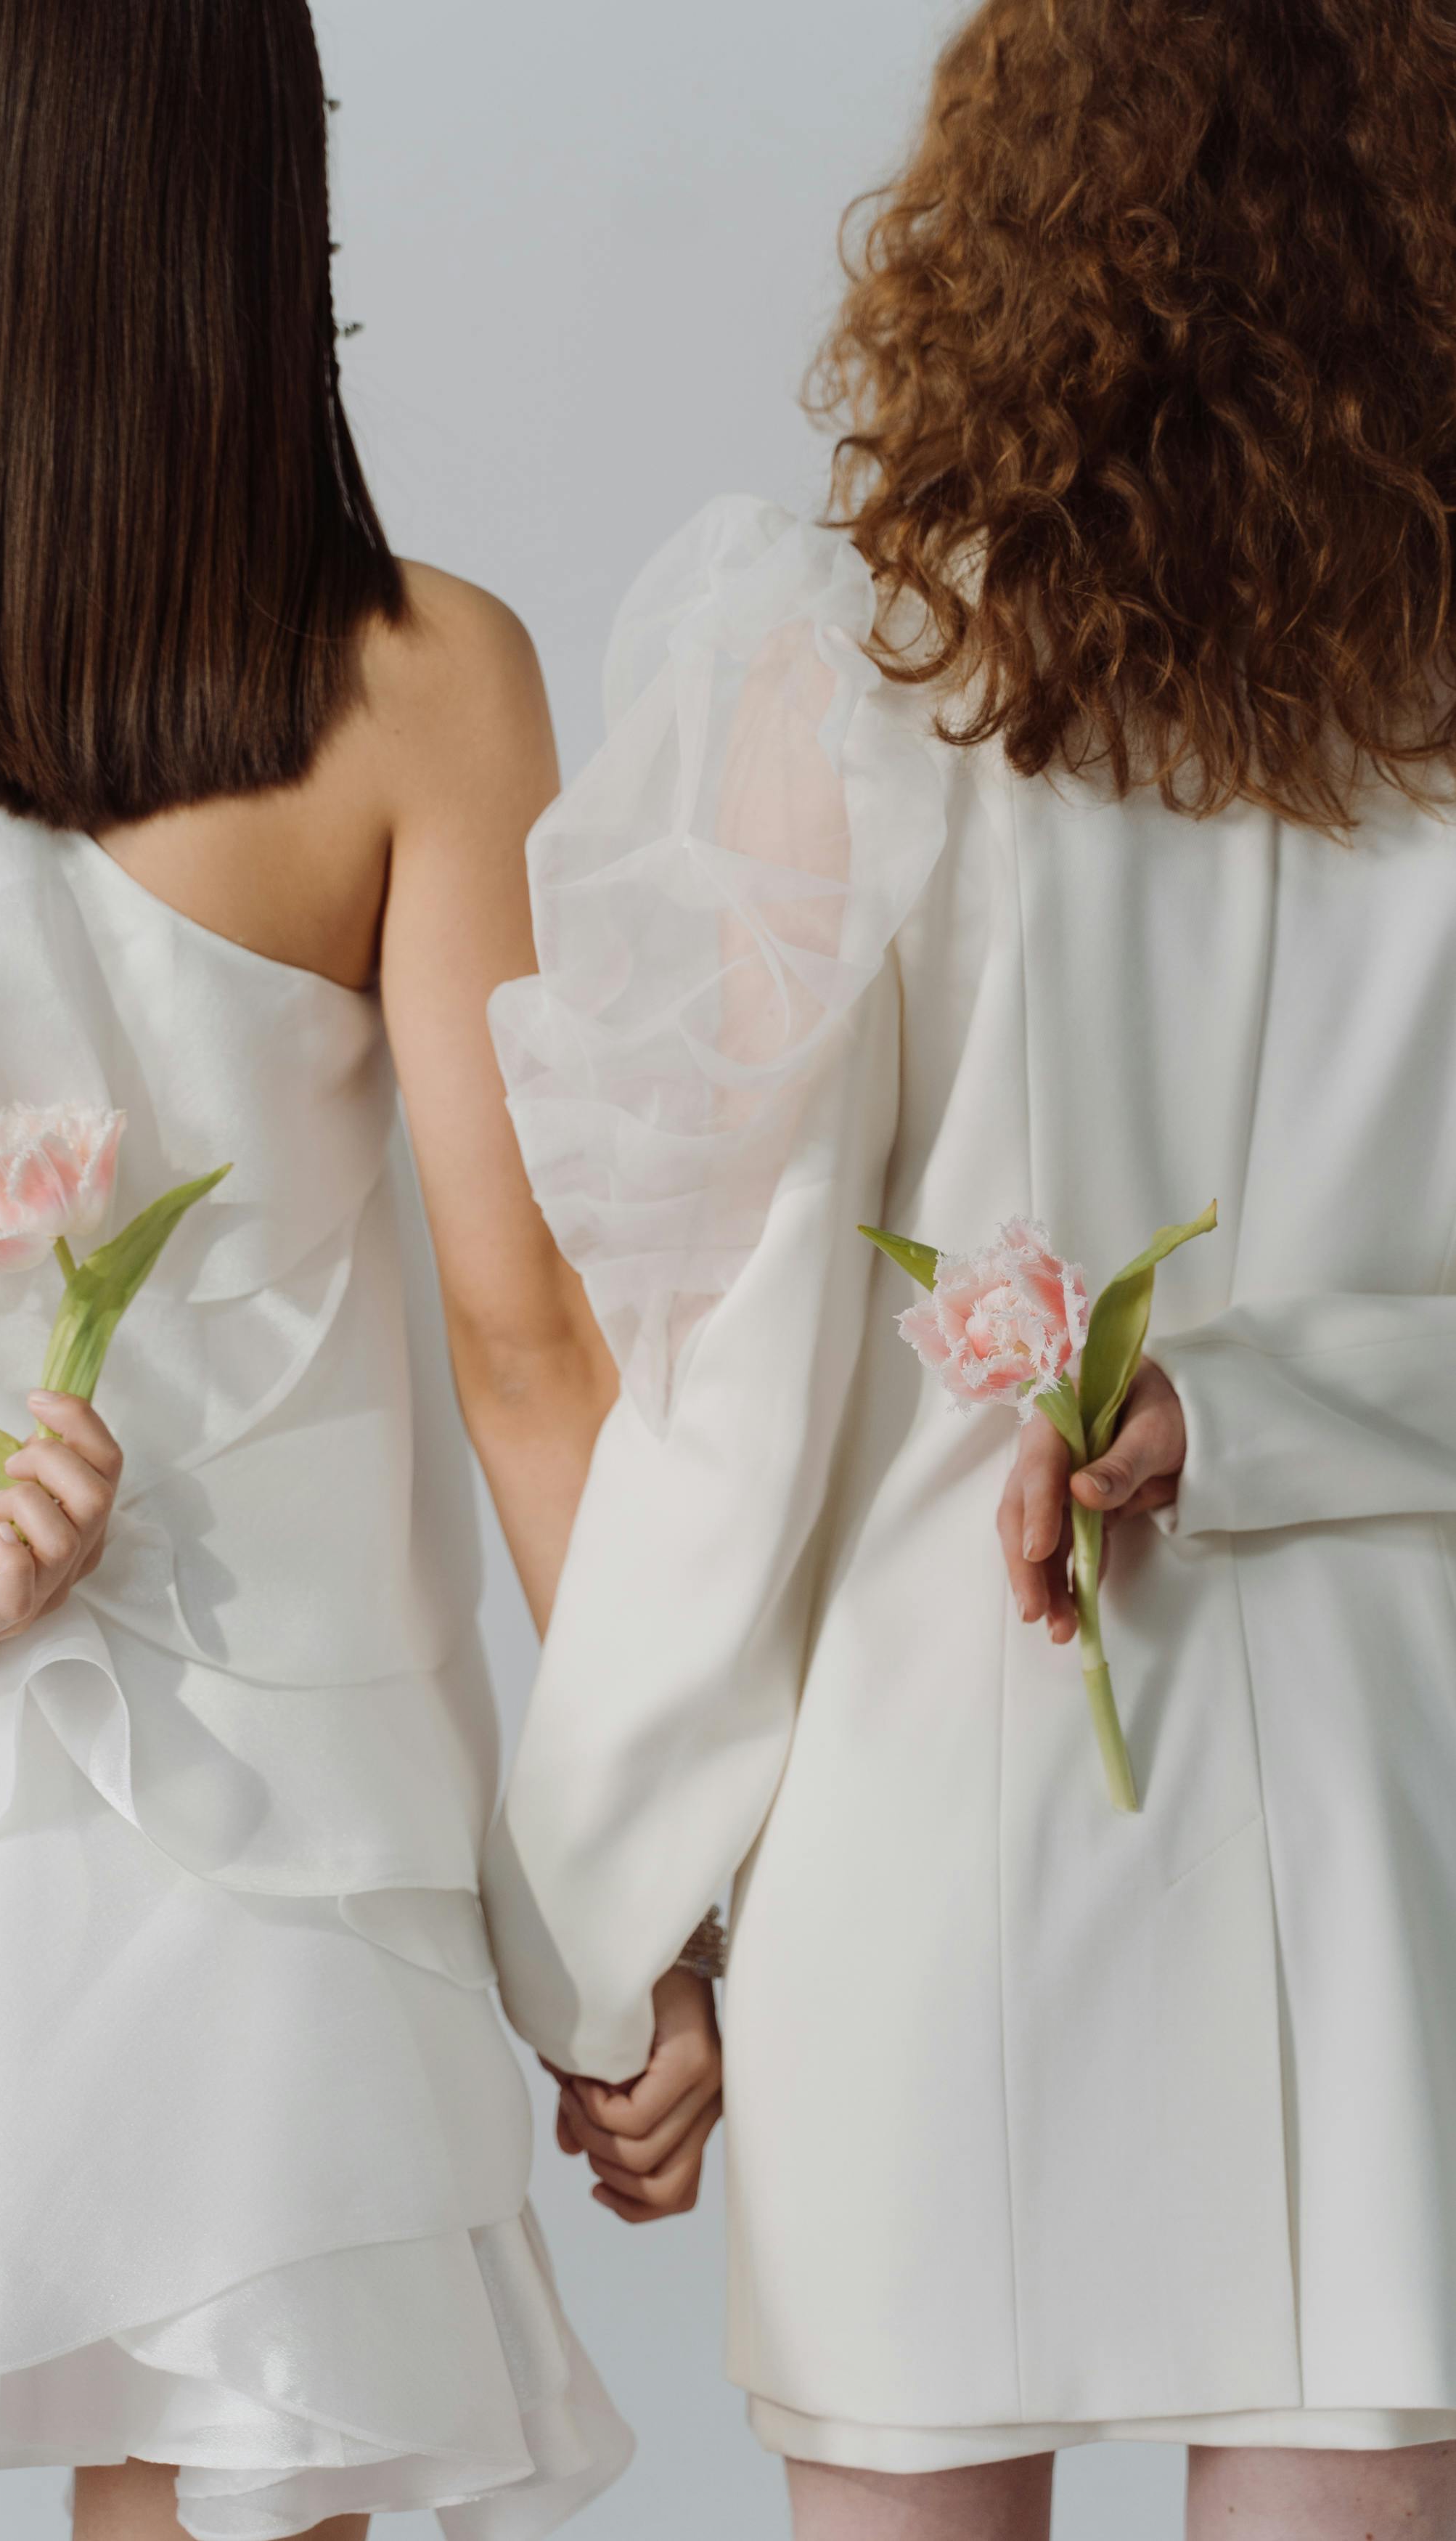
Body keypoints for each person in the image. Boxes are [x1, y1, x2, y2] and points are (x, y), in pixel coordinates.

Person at [480, 1, 1456, 2535]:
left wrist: (606, 1946)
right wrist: (1249, 1415)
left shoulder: (872, 660)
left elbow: (742, 1394)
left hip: (944, 1821)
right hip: (1389, 1850)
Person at [0, 0, 687, 2532]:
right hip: (275, 1834)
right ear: (258, 209)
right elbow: (535, 1354)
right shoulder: (420, 684)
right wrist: (642, 1911)